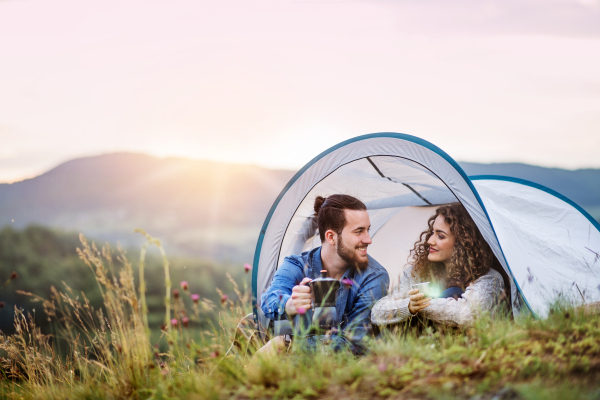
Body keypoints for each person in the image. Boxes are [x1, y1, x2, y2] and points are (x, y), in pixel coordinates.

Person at [259, 194, 390, 355]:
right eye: (359, 231)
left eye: (367, 230)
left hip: (346, 369)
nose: (368, 239)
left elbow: (354, 344)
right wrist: (290, 304)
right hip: (299, 361)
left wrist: (286, 344)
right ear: (331, 237)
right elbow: (268, 299)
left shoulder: (374, 277)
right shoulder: (297, 265)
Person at [371, 203, 506, 328]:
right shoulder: (418, 272)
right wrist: (409, 306)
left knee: (452, 293)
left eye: (440, 236)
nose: (430, 240)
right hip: (421, 347)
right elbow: (377, 312)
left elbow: (466, 314)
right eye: (432, 233)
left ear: (462, 243)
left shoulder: (489, 279)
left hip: (466, 350)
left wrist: (422, 305)